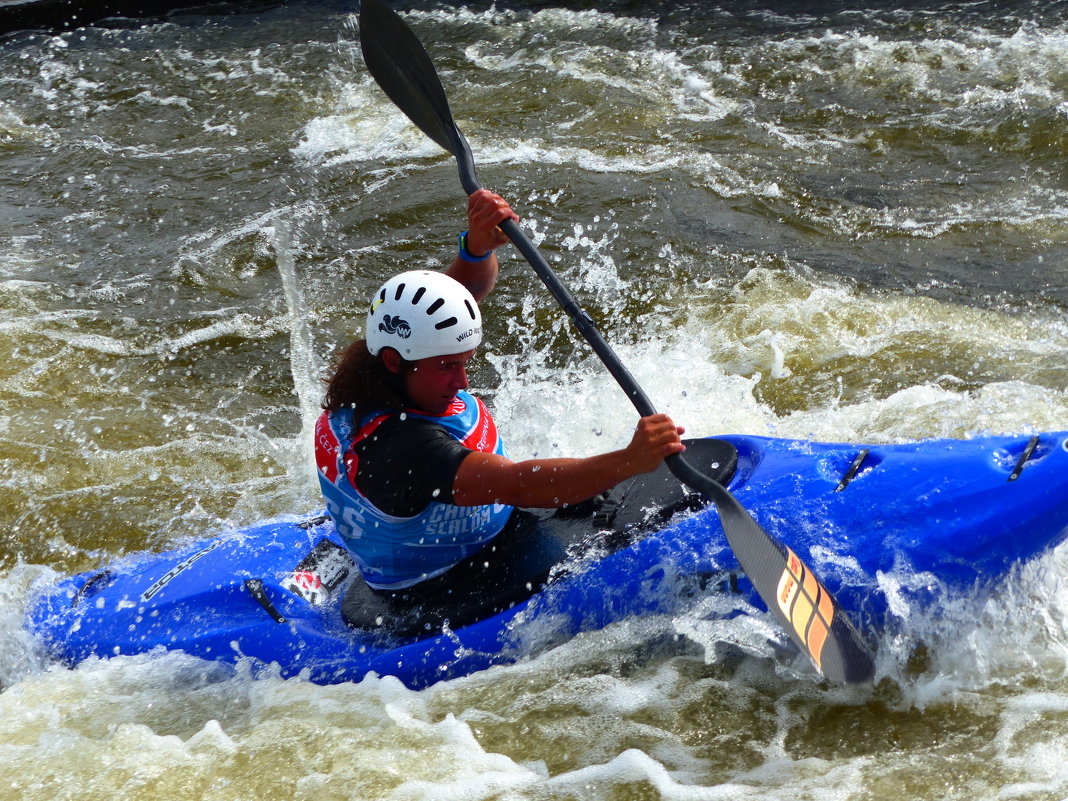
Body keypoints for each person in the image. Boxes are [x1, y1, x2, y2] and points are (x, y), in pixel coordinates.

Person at [315, 189, 685, 593]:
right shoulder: (398, 448)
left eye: (464, 361)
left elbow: (458, 294)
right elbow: (519, 484)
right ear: (394, 361)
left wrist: (476, 246)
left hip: (485, 531)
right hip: (442, 584)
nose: (463, 382)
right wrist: (629, 461)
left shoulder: (387, 357)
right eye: (447, 367)